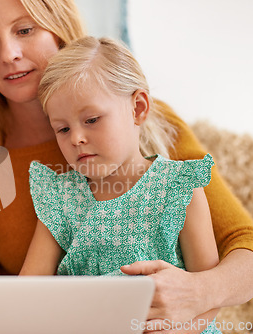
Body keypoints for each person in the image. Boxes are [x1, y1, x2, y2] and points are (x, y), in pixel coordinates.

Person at [0, 0, 253, 331]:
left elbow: (251, 252)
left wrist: (197, 294)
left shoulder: (150, 123)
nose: (8, 54)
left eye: (25, 29)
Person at [19, 36, 221, 333]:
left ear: (137, 108)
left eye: (91, 119)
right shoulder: (59, 199)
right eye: (62, 129)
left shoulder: (179, 188)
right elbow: (27, 292)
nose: (76, 138)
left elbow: (208, 296)